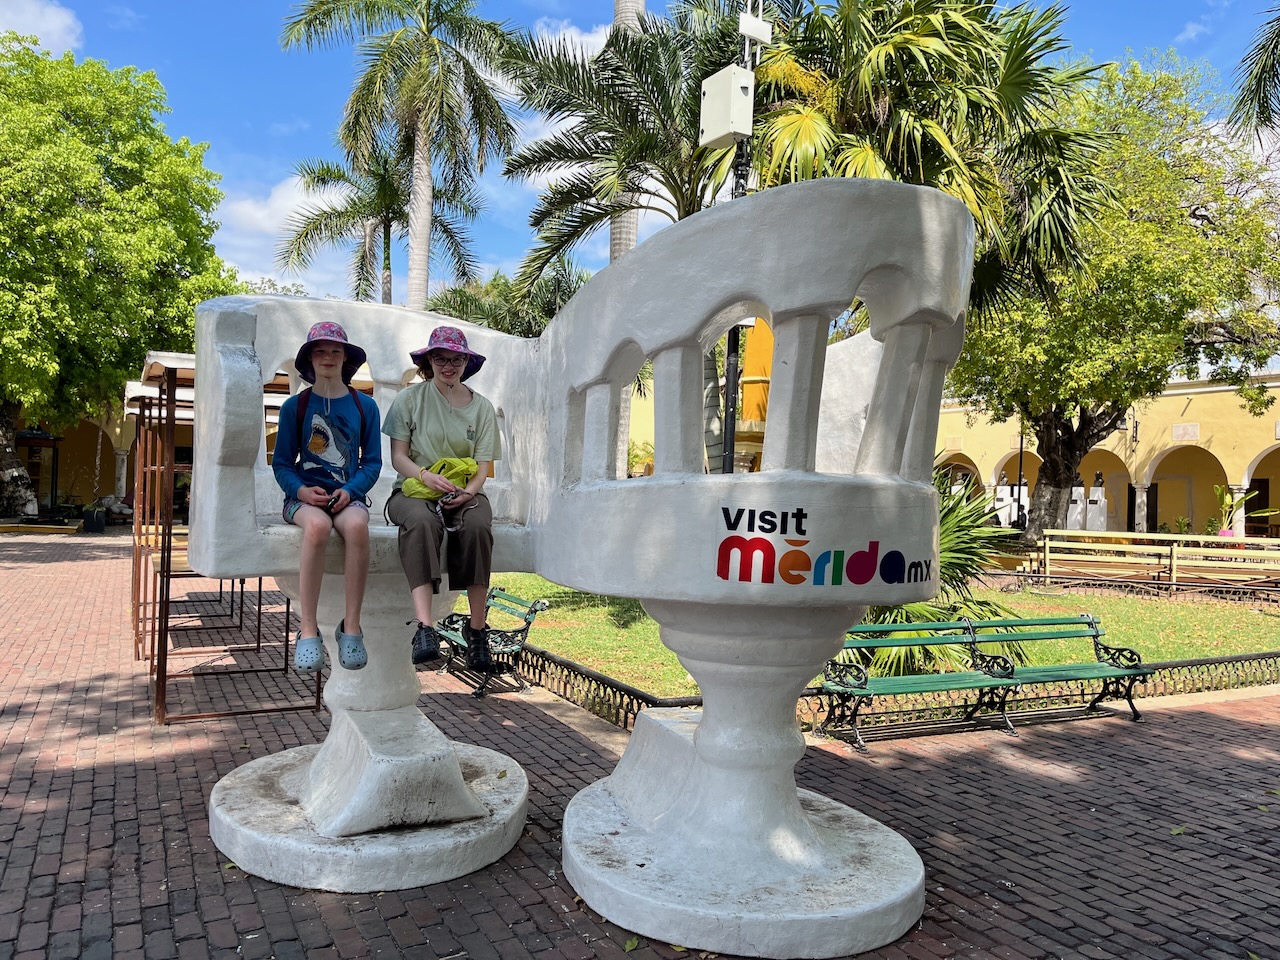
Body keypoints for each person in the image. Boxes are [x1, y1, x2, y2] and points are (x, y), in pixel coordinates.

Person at [383, 326, 500, 671]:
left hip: (464, 490)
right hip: (413, 489)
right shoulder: (409, 400)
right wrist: (424, 475)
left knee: (478, 525)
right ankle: (425, 628)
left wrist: (469, 492)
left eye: (456, 359)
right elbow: (399, 458)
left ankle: (477, 629)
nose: (448, 366)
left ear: (466, 361)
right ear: (429, 361)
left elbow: (483, 467)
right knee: (420, 522)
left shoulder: (482, 408)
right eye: (440, 358)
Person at [273, 321, 382, 674]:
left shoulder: (365, 406)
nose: (328, 357)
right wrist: (302, 491)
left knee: (357, 528)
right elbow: (283, 464)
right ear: (309, 358)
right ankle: (307, 629)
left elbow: (373, 462)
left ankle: (351, 626)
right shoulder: (295, 407)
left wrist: (350, 491)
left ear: (346, 358)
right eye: (320, 351)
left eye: (336, 351)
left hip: (348, 496)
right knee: (317, 527)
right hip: (304, 498)